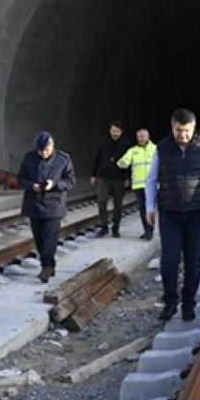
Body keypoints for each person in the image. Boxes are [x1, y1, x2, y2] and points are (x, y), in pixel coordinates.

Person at [145, 108, 200, 322]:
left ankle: (189, 303)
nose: (183, 135)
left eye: (187, 131)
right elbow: (151, 179)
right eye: (179, 130)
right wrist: (149, 207)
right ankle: (171, 301)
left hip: (197, 213)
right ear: (172, 127)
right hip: (169, 213)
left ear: (193, 127)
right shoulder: (162, 149)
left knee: (194, 261)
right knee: (169, 260)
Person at [18, 131, 76, 283]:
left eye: (47, 150)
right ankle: (49, 264)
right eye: (41, 151)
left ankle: (46, 267)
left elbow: (70, 181)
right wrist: (32, 185)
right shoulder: (28, 158)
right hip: (34, 204)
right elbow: (20, 179)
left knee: (50, 238)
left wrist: (55, 184)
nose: (44, 153)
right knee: (39, 239)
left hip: (54, 205)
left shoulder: (63, 159)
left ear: (52, 146)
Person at [90, 121, 132, 237]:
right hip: (103, 177)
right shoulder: (103, 142)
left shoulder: (126, 144)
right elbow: (96, 158)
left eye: (117, 131)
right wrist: (93, 175)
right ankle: (104, 227)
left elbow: (130, 163)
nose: (115, 133)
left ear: (121, 132)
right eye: (113, 131)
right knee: (101, 201)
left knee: (118, 205)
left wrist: (128, 178)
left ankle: (115, 228)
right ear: (110, 131)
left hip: (119, 178)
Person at [117, 128, 157, 241]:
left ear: (147, 137)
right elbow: (124, 161)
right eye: (138, 137)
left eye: (142, 136)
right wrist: (121, 163)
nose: (140, 139)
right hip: (138, 186)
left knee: (151, 209)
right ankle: (147, 230)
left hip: (152, 185)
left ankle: (150, 231)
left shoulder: (155, 149)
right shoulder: (133, 150)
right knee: (143, 209)